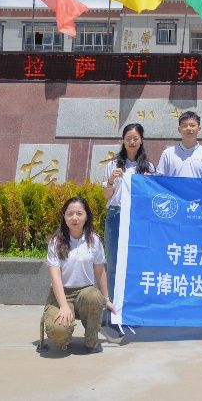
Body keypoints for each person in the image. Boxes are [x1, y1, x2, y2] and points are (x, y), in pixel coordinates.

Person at [39, 196, 115, 353]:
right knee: (58, 330)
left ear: (86, 216)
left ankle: (91, 341)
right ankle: (64, 339)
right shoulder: (55, 242)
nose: (74, 218)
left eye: (79, 213)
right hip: (61, 294)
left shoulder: (94, 240)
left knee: (95, 297)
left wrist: (106, 300)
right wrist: (63, 306)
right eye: (70, 214)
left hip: (85, 293)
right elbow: (55, 277)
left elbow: (100, 271)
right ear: (64, 217)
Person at [103, 123, 154, 308]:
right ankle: (113, 306)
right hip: (116, 215)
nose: (132, 142)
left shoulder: (148, 166)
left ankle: (133, 306)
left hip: (138, 218)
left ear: (141, 141)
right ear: (123, 141)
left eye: (135, 138)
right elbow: (106, 196)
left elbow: (151, 197)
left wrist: (149, 181)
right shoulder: (112, 164)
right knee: (113, 263)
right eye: (128, 139)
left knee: (137, 261)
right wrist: (111, 180)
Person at [156, 110, 202, 178]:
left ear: (199, 128)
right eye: (184, 126)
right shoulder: (168, 154)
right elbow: (159, 179)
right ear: (179, 129)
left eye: (192, 125)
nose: (188, 128)